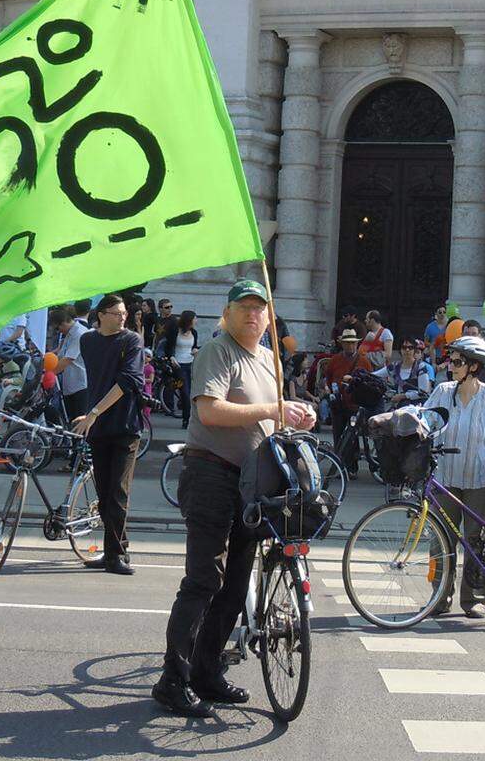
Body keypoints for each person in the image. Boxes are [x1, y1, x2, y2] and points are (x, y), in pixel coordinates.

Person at [154, 279, 316, 718]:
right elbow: (209, 410)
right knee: (205, 579)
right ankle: (172, 679)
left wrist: (298, 412)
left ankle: (206, 670)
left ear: (269, 317)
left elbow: (272, 419)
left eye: (259, 308)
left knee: (234, 585)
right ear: (226, 315)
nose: (252, 314)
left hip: (253, 484)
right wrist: (272, 410)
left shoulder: (268, 359)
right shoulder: (217, 352)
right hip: (211, 473)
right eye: (243, 307)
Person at [422, 337, 485, 618]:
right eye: (450, 360)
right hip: (446, 476)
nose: (451, 365)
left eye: (458, 361)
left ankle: (473, 598)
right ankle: (439, 597)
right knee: (440, 541)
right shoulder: (442, 390)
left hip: (479, 479)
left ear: (474, 367)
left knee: (476, 541)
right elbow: (426, 419)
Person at [72, 295, 145, 576]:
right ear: (100, 315)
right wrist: (93, 414)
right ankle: (117, 548)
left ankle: (114, 556)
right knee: (104, 494)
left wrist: (95, 411)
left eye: (124, 313)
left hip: (125, 426)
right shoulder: (87, 341)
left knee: (117, 491)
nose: (122, 317)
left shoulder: (131, 341)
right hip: (98, 426)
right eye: (116, 313)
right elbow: (99, 377)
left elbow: (127, 381)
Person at [321, 328, 373, 457]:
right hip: (338, 403)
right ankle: (339, 463)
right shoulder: (335, 360)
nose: (350, 345)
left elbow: (370, 381)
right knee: (338, 434)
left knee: (353, 436)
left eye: (352, 343)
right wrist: (328, 390)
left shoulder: (364, 361)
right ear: (342, 344)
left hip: (355, 404)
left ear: (356, 344)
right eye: (347, 343)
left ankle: (352, 467)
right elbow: (327, 378)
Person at [159, 310, 199, 429]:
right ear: (189, 320)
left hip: (190, 364)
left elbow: (194, 346)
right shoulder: (175, 331)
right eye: (194, 319)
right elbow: (168, 347)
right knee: (185, 392)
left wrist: (195, 350)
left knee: (191, 393)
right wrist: (171, 357)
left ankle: (189, 417)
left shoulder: (194, 333)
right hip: (178, 365)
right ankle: (186, 420)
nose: (196, 321)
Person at [53, 306, 90, 420]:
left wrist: (49, 374)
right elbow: (60, 355)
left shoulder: (79, 334)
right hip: (70, 383)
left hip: (80, 384)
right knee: (70, 419)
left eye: (58, 328)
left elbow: (68, 359)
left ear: (63, 323)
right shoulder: (69, 334)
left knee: (78, 421)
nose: (59, 332)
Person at [376, 337, 432, 405]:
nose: (407, 350)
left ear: (414, 350)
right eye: (404, 347)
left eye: (410, 347)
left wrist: (403, 396)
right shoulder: (394, 366)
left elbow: (424, 392)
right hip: (399, 408)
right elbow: (375, 375)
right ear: (400, 350)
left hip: (417, 408)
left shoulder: (420, 367)